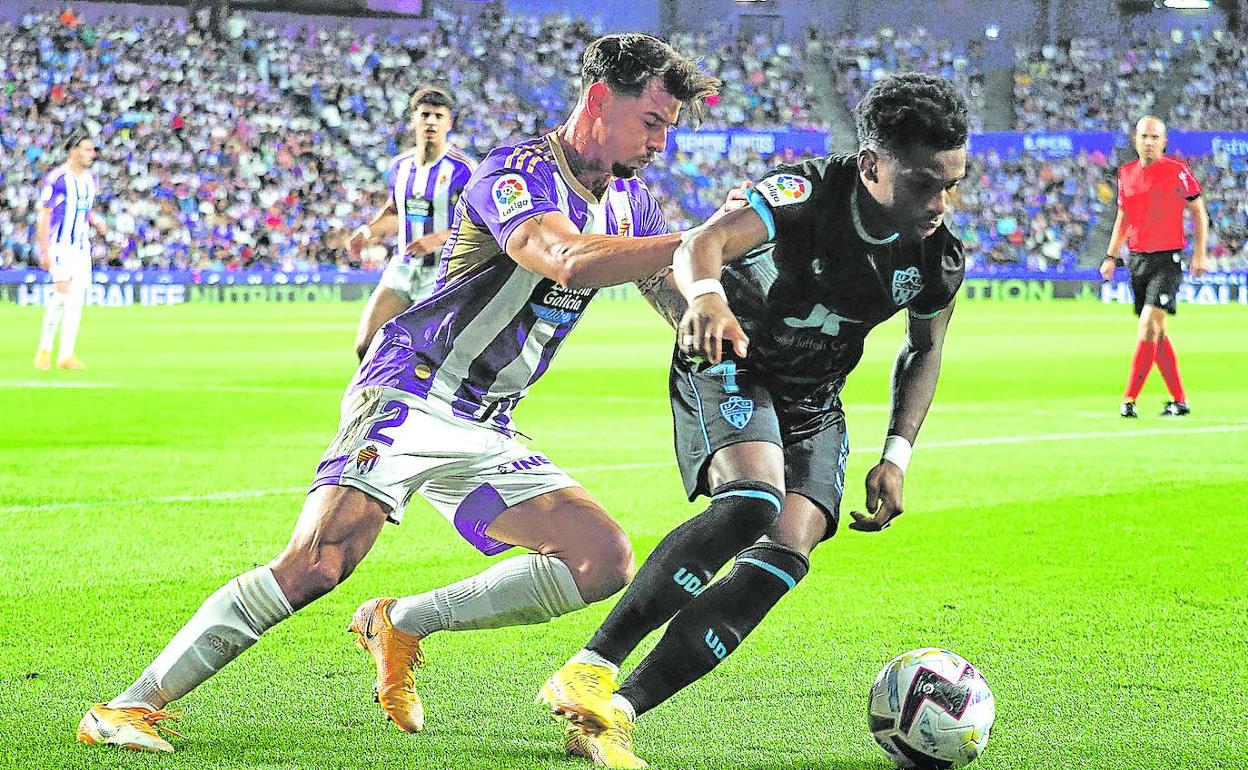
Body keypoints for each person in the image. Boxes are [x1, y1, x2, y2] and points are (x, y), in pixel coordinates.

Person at [76, 33, 722, 753]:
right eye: (654, 121)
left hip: (486, 422)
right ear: (600, 101)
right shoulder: (515, 172)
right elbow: (566, 261)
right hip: (411, 390)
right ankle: (125, 707)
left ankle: (400, 621)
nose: (663, 142)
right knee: (319, 561)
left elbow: (680, 299)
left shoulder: (633, 205)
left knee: (601, 560)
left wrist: (734, 294)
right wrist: (702, 237)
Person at [539, 72, 969, 769]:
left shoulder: (937, 256)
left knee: (786, 553)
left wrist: (897, 453)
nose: (941, 202)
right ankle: (593, 665)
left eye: (953, 181)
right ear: (871, 167)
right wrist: (706, 298)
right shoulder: (804, 195)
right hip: (729, 354)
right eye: (924, 183)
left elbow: (925, 349)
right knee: (752, 498)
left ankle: (614, 714)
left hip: (815, 400)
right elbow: (700, 244)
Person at [348, 86, 477, 360]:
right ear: (413, 120)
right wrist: (366, 231)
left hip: (441, 274)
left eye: (439, 116)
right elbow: (396, 211)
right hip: (403, 267)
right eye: (425, 114)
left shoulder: (464, 168)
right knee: (366, 345)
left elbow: (479, 223)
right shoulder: (400, 166)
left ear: (449, 123)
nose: (431, 121)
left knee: (422, 354)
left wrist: (438, 238)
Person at [1101, 115, 1209, 418]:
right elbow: (1123, 218)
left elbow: (1198, 211)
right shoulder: (1126, 174)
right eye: (1144, 136)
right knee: (1157, 332)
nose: (1148, 142)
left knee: (1147, 324)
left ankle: (1129, 399)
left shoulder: (1177, 172)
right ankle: (1179, 400)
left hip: (1168, 260)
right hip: (1138, 259)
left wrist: (1200, 253)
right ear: (1135, 139)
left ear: (1164, 142)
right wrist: (1111, 257)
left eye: (1154, 137)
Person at [34, 129, 106, 371]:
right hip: (60, 245)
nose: (92, 154)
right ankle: (45, 348)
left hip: (81, 247)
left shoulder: (89, 180)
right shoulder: (58, 178)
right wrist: (44, 250)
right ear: (73, 151)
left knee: (77, 300)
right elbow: (44, 214)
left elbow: (83, 209)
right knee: (62, 295)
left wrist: (95, 220)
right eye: (87, 149)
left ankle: (66, 355)